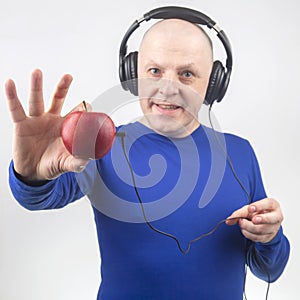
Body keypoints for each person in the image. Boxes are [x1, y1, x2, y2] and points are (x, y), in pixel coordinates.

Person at [5, 9, 290, 300]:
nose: (167, 88)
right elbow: (39, 197)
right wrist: (31, 173)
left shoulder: (239, 153)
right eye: (154, 71)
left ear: (214, 83)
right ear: (132, 74)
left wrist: (270, 236)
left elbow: (270, 268)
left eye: (187, 74)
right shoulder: (103, 145)